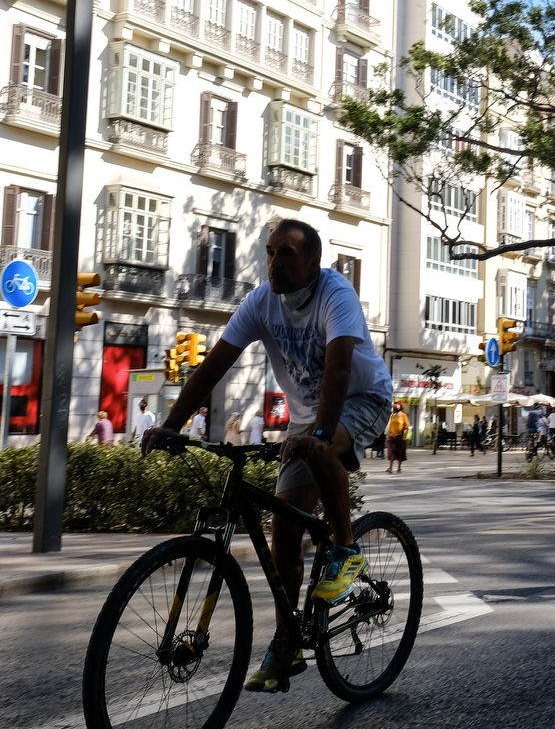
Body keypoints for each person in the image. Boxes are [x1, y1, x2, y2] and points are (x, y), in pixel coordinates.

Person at [140, 218, 392, 694]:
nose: (275, 263)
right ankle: (287, 641)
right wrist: (171, 425)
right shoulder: (260, 303)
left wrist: (318, 432)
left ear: (314, 262)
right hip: (308, 416)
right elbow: (214, 365)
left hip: (361, 399)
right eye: (271, 253)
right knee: (285, 532)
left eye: (287, 254)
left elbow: (338, 368)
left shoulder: (335, 294)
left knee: (322, 449)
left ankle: (346, 549)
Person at [386, 402, 410, 473]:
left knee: (399, 453)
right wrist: (388, 435)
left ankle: (399, 468)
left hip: (400, 437)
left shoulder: (403, 415)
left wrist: (404, 435)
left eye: (397, 404)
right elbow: (389, 426)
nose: (395, 405)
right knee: (391, 452)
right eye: (395, 404)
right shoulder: (392, 415)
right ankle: (390, 468)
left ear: (400, 406)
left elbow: (406, 426)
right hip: (391, 437)